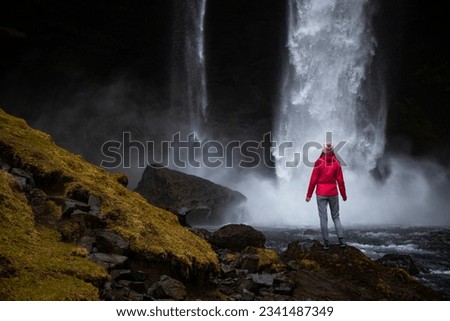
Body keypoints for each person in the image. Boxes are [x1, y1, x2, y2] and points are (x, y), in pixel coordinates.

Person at [306, 142, 347, 250]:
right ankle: (341, 241)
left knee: (323, 219)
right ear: (333, 151)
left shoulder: (318, 162)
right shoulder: (337, 163)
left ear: (323, 150)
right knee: (336, 217)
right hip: (333, 193)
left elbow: (313, 180)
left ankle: (326, 243)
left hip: (321, 194)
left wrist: (308, 195)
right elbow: (341, 181)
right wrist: (344, 195)